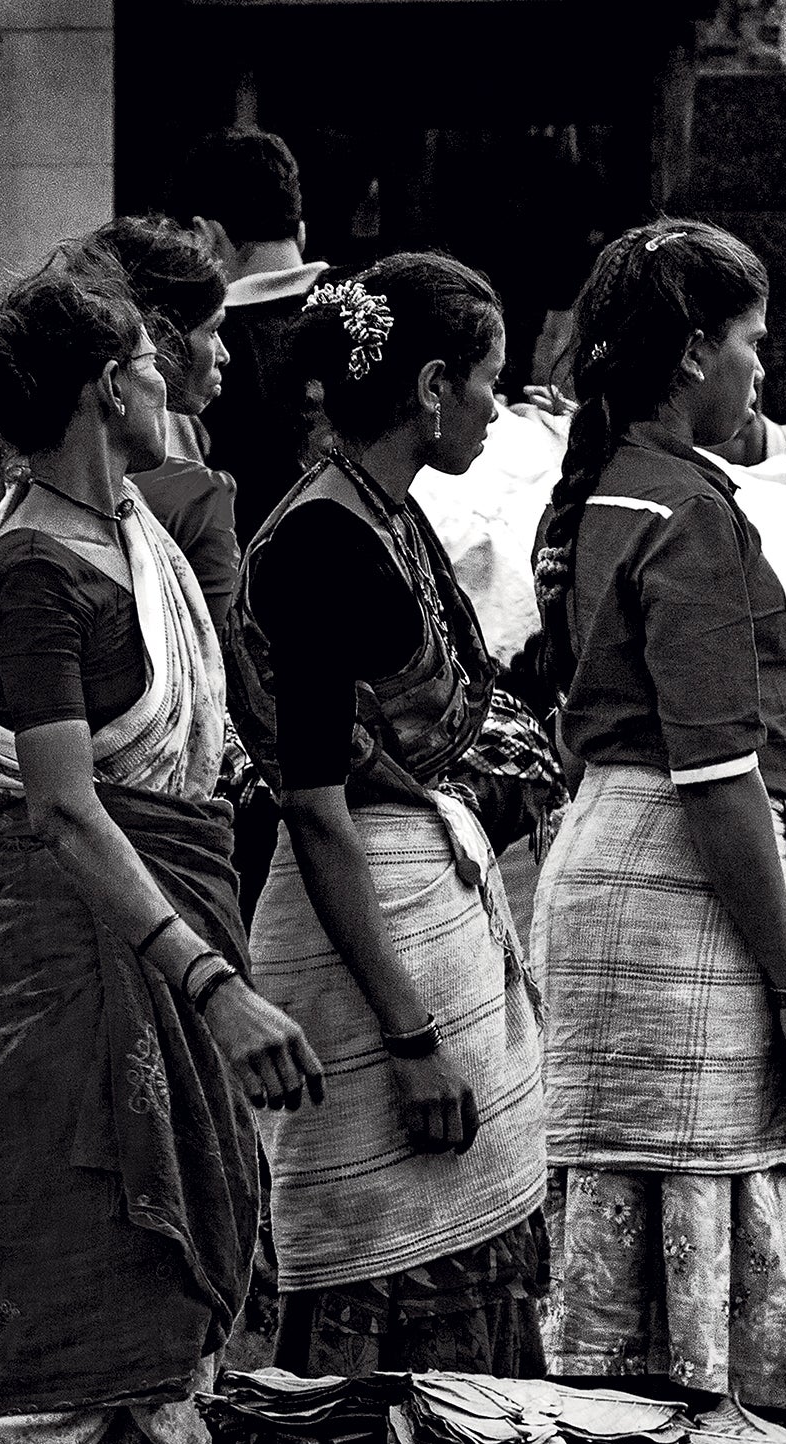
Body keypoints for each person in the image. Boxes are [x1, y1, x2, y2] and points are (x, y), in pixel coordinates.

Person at [0, 261, 321, 1444]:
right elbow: (60, 807)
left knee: (174, 1338)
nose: (169, 379)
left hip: (167, 919)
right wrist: (209, 983)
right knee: (78, 1262)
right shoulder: (30, 571)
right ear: (109, 390)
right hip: (74, 970)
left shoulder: (131, 531)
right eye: (152, 363)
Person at [228, 254, 549, 1378]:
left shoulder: (382, 512)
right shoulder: (322, 538)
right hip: (360, 944)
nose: (492, 407)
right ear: (426, 387)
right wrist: (411, 1042)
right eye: (485, 381)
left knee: (459, 1243)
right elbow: (314, 808)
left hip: (402, 912)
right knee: (382, 1253)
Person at [531, 220, 786, 1412]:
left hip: (613, 867)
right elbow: (715, 777)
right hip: (687, 895)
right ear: (694, 352)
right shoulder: (687, 514)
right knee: (706, 1274)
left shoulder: (606, 491)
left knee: (631, 1267)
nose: (762, 370)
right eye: (750, 345)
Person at [0, 214, 238, 689]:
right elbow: (215, 685)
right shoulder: (195, 500)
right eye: (213, 329)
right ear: (147, 353)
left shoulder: (18, 471)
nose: (223, 353)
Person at [172, 129, 327, 547]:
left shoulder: (194, 347)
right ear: (301, 234)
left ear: (205, 236)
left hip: (245, 593)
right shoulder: (372, 313)